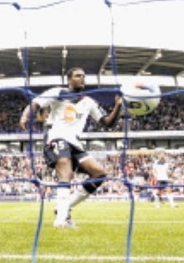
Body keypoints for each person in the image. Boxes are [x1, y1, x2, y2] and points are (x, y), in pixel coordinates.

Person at [19, 67, 122, 227]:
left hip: (75, 142)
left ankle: (64, 208)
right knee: (66, 172)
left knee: (99, 174)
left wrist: (118, 106)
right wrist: (25, 115)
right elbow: (35, 103)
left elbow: (107, 122)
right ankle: (60, 220)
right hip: (56, 137)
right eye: (77, 76)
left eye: (83, 76)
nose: (82, 78)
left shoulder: (88, 102)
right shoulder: (58, 92)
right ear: (69, 80)